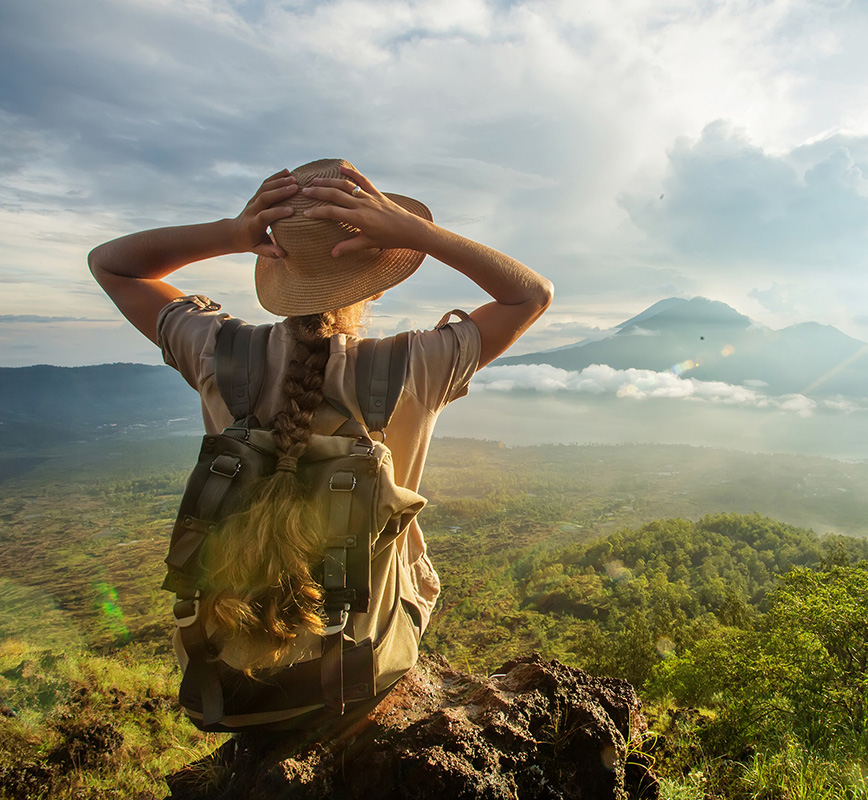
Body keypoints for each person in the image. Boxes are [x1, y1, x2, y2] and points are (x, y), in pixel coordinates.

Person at [88, 158, 552, 726]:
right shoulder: (413, 366)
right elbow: (530, 294)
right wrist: (422, 235)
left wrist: (231, 233)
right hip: (362, 663)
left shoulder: (215, 348)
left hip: (229, 669)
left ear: (276, 269)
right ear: (376, 278)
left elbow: (111, 266)